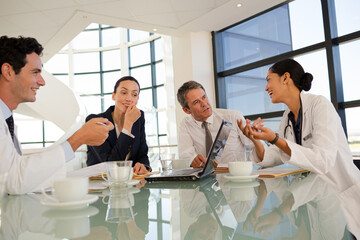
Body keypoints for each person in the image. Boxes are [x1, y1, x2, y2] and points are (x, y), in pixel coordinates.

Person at [0, 35, 113, 195]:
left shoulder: (7, 120)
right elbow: (14, 181)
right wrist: (78, 138)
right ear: (8, 72)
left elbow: (16, 175)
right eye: (35, 72)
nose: (42, 82)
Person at [237, 59, 360, 196]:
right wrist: (255, 139)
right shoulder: (287, 116)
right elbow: (274, 155)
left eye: (269, 80)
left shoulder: (320, 105)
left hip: (338, 194)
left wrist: (274, 138)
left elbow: (323, 161)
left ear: (285, 78)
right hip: (313, 193)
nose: (266, 88)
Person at [177, 80, 254, 168]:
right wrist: (192, 160)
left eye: (204, 97)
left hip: (234, 175)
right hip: (206, 178)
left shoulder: (233, 116)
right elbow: (185, 154)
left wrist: (255, 136)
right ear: (187, 110)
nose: (204, 104)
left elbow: (254, 145)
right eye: (196, 102)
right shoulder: (186, 124)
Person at [86, 76, 150, 175]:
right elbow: (111, 166)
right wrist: (128, 123)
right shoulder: (95, 121)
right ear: (113, 96)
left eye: (134, 94)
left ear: (137, 99)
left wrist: (142, 165)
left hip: (129, 183)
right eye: (124, 93)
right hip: (100, 185)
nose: (129, 99)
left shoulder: (138, 119)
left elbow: (142, 154)